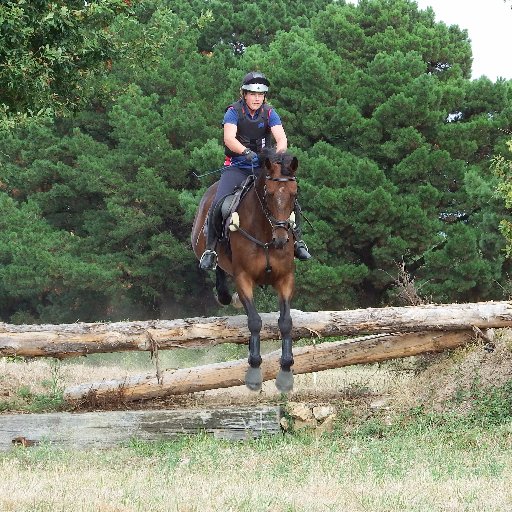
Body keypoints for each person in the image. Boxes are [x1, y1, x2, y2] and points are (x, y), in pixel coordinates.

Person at [199, 71, 311, 271]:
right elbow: (229, 139)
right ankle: (211, 250)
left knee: (288, 198)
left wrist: (275, 157)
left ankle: (298, 242)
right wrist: (246, 152)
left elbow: (282, 139)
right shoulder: (233, 111)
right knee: (219, 202)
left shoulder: (269, 112)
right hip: (237, 166)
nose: (257, 98)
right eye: (252, 94)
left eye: (260, 95)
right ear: (244, 94)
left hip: (263, 168)